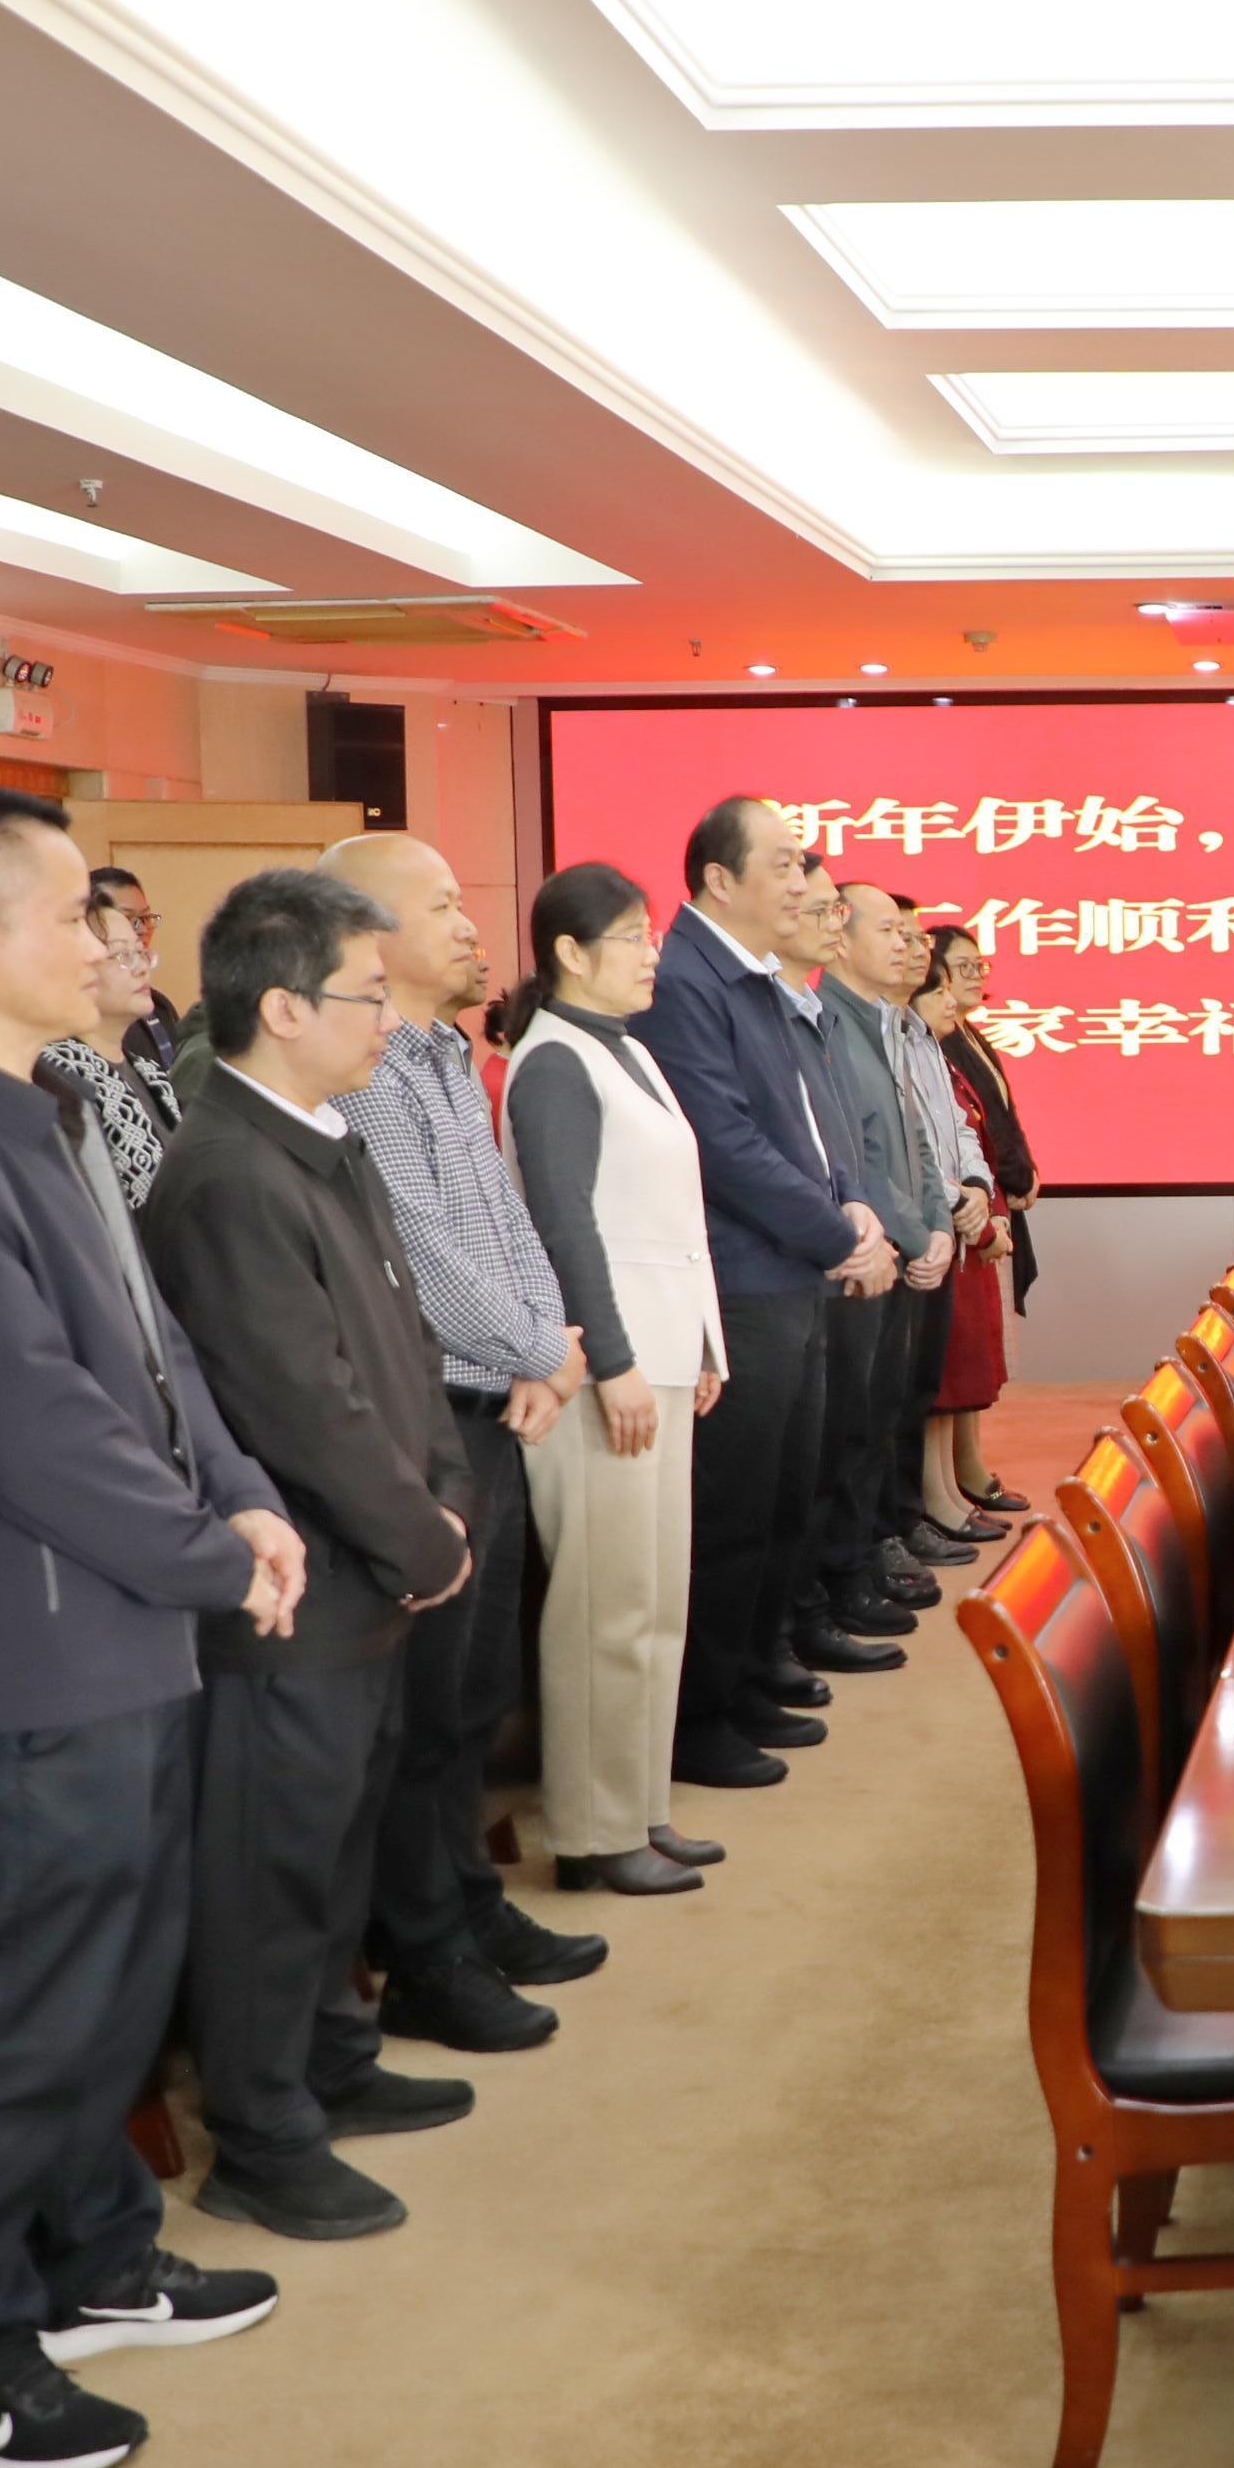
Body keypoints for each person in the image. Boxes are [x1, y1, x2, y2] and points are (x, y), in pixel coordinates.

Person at [0, 786, 299, 2468]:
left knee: (113, 1975)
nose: (108, 942)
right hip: (18, 1648)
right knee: (14, 2000)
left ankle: (92, 2255)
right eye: (76, 912)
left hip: (124, 1622)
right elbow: (24, 1421)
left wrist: (242, 1497)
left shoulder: (49, 1106)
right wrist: (206, 1554)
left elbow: (158, 1352)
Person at [136, 868, 480, 2246]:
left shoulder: (321, 1139)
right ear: (282, 1007)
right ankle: (263, 2132)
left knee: (336, 1846)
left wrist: (442, 1502)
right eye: (365, 995)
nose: (387, 1020)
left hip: (373, 1569)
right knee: (270, 1869)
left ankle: (332, 2058)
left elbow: (404, 1347)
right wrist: (418, 1533)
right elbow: (300, 1404)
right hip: (299, 1588)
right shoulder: (225, 1171)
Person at [318, 834, 609, 2037]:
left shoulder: (443, 1052)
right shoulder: (365, 1070)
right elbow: (420, 1253)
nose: (470, 923)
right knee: (429, 1700)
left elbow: (503, 1218)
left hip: (501, 1394)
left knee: (478, 1687)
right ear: (367, 932)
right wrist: (539, 1350)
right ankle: (425, 1948)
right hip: (432, 1408)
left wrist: (549, 1342)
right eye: (440, 904)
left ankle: (471, 1908)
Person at [628, 801, 898, 1764]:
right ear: (719, 879)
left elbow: (812, 1125)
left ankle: (750, 1673)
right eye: (782, 864)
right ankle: (704, 1717)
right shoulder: (685, 981)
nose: (801, 880)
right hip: (744, 1280)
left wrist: (852, 1207)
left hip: (793, 1271)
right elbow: (725, 1144)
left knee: (785, 1496)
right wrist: (839, 1236)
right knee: (734, 1510)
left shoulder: (754, 977)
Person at [501, 863, 733, 1895]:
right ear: (569, 952)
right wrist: (617, 1359)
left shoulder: (626, 1047)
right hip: (611, 1372)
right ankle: (592, 1831)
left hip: (664, 1357)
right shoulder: (554, 1061)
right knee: (604, 1606)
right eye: (634, 937)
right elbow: (566, 1223)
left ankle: (640, 1806)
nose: (651, 955)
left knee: (654, 1600)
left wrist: (705, 1344)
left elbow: (672, 1216)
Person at [816, 879, 973, 1620]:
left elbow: (918, 1140)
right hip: (872, 1255)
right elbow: (861, 1160)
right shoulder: (830, 1024)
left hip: (912, 1243)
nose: (910, 946)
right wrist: (918, 1232)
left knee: (893, 1409)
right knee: (856, 1427)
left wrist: (938, 1222)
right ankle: (857, 1562)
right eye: (890, 931)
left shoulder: (889, 1024)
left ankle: (878, 1543)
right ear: (841, 939)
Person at [913, 925, 1027, 1534]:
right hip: (942, 1228)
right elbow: (925, 1152)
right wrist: (976, 1211)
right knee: (945, 1373)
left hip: (973, 1215)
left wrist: (989, 1194)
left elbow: (976, 1128)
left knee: (965, 1363)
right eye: (960, 969)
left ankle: (957, 1483)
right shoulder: (914, 1045)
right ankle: (940, 1495)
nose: (974, 979)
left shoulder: (953, 1041)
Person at [40, 892, 180, 1210]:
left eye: (140, 952)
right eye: (121, 955)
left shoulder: (150, 1072)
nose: (141, 968)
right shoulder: (57, 1073)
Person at [90, 866, 186, 1084]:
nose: (142, 929)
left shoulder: (160, 1006)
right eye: (130, 919)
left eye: (145, 918)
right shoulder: (66, 1066)